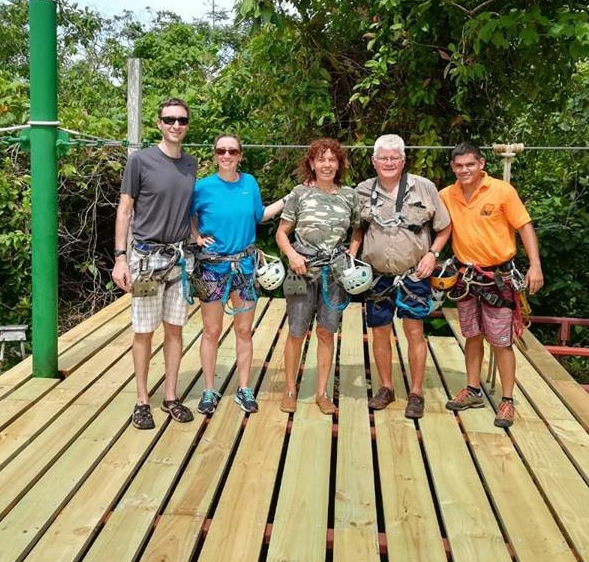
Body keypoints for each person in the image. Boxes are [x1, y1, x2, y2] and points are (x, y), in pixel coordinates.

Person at [438, 142, 543, 428]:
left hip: (498, 276)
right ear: (452, 168)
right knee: (471, 335)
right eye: (458, 166)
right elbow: (435, 226)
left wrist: (535, 265)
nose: (464, 170)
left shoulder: (502, 191)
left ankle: (507, 400)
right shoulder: (447, 195)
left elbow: (524, 226)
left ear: (481, 164)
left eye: (469, 164)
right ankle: (473, 389)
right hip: (466, 276)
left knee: (501, 340)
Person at [348, 134, 452, 419]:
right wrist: (351, 260)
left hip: (414, 274)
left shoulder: (424, 188)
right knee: (379, 332)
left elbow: (444, 227)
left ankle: (416, 392)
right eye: (383, 158)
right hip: (377, 275)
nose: (389, 162)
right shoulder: (363, 191)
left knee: (415, 332)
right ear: (374, 161)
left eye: (395, 158)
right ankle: (385, 387)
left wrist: (432, 254)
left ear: (404, 161)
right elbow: (357, 229)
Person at [111, 98, 197, 430]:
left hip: (178, 259)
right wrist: (121, 257)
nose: (176, 125)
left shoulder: (190, 164)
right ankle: (142, 399)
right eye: (170, 119)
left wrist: (196, 236)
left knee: (175, 330)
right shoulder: (140, 161)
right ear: (159, 123)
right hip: (145, 258)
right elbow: (125, 209)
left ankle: (171, 396)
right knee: (144, 331)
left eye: (182, 120)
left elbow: (187, 209)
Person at [189, 134, 285, 415]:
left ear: (240, 155)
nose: (227, 155)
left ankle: (244, 388)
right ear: (215, 154)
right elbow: (186, 215)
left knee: (244, 330)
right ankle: (209, 389)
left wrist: (290, 198)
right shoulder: (202, 187)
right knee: (212, 330)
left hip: (243, 267)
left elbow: (260, 215)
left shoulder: (249, 183)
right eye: (221, 150)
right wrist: (196, 236)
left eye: (232, 151)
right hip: (212, 266)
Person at [275, 138, 360, 415]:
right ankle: (290, 389)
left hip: (333, 274)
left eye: (332, 160)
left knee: (326, 331)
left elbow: (358, 230)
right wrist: (292, 255)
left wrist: (351, 255)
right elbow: (281, 232)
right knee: (297, 331)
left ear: (339, 164)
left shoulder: (349, 195)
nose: (327, 164)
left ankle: (322, 393)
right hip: (300, 272)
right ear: (312, 163)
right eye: (321, 159)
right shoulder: (299, 193)